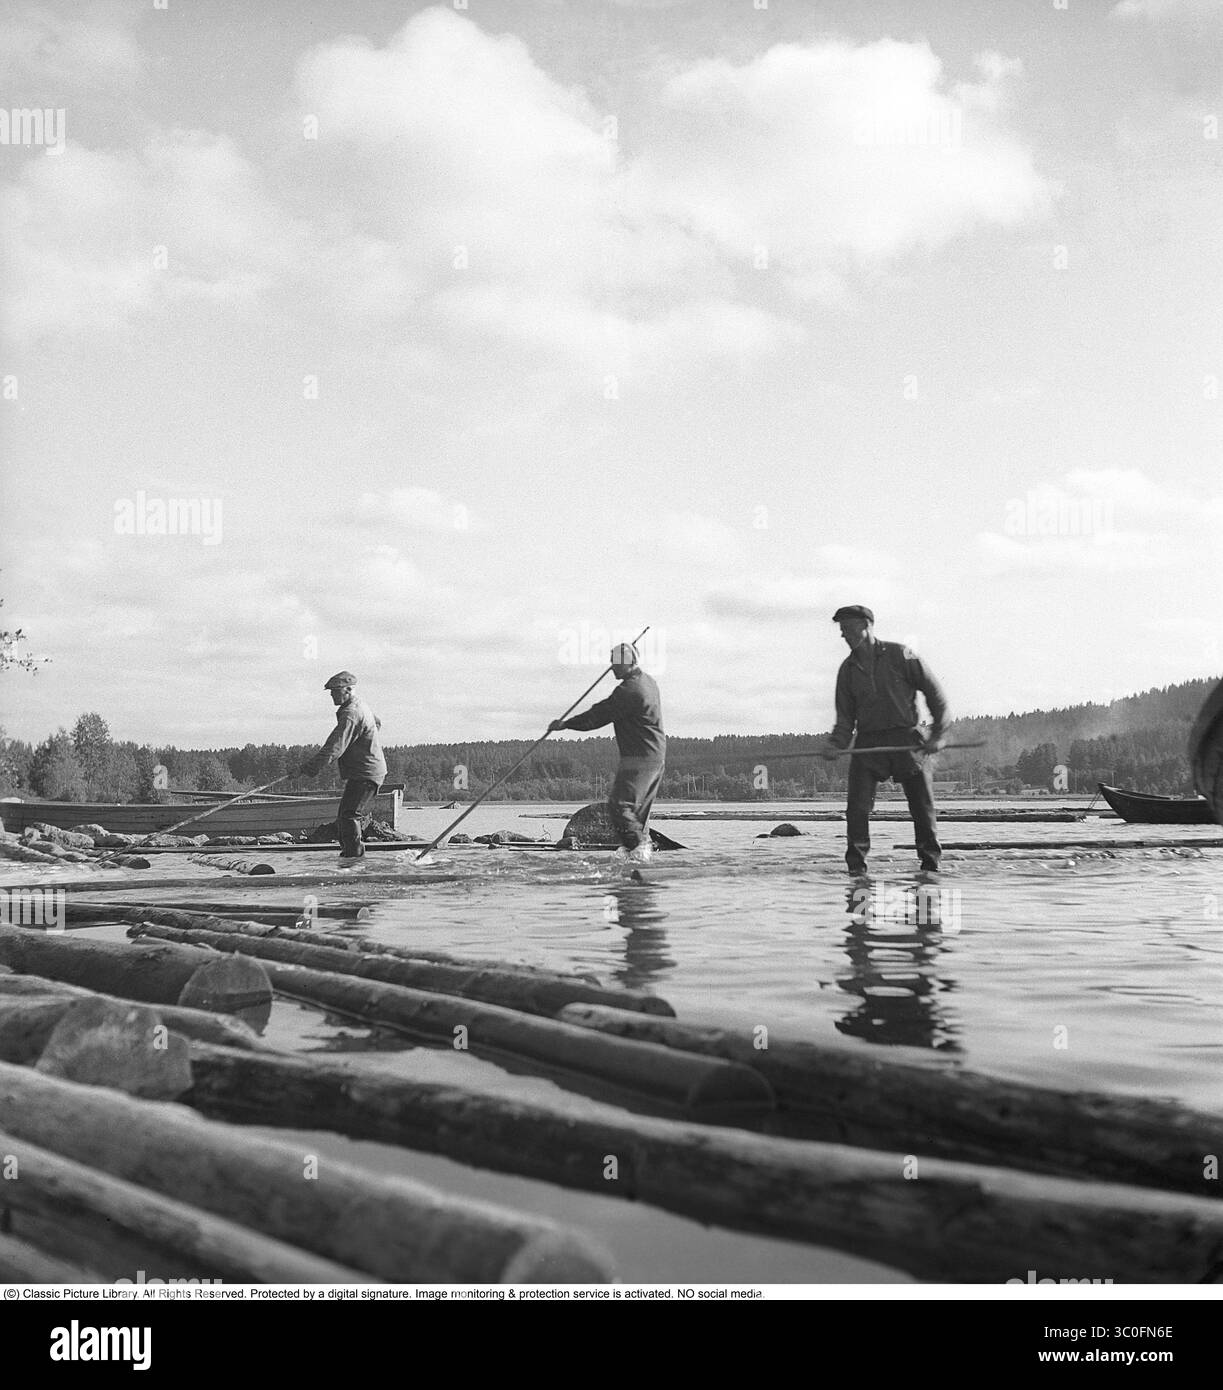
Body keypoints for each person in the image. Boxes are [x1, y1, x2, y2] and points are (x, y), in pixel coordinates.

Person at [821, 606, 950, 876]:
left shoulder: (901, 655)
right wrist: (836, 744)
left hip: (906, 740)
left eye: (848, 628)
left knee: (922, 807)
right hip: (869, 743)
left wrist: (938, 735)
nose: (844, 635)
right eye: (842, 630)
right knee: (856, 810)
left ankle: (931, 868)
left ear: (866, 626)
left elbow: (935, 695)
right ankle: (857, 872)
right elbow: (845, 720)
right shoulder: (847, 670)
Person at [549, 643, 665, 864]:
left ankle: (639, 849)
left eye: (615, 662)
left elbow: (598, 715)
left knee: (619, 805)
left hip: (640, 759)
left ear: (627, 661)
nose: (611, 667)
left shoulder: (630, 691)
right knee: (636, 814)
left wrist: (565, 724)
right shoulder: (649, 682)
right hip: (654, 756)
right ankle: (635, 859)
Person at [299, 671, 387, 865]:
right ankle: (350, 854)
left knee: (349, 815)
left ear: (347, 690)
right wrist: (363, 743)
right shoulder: (359, 705)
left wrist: (309, 768)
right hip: (366, 771)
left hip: (366, 772)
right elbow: (377, 723)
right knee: (345, 814)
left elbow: (334, 748)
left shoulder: (351, 714)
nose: (331, 695)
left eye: (334, 691)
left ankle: (353, 859)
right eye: (330, 692)